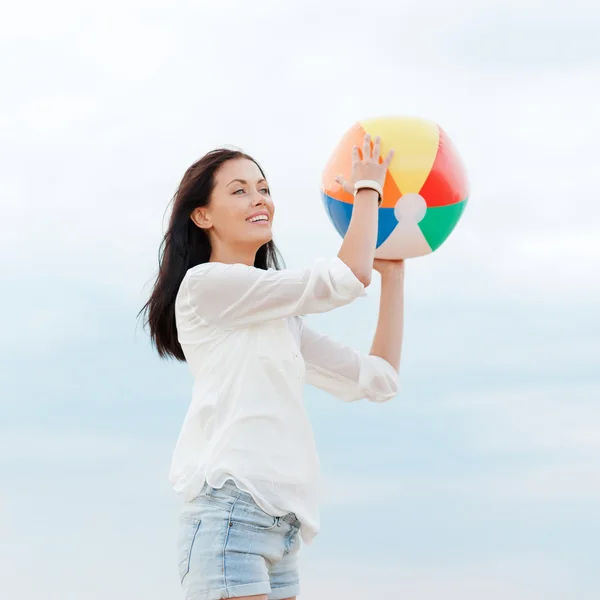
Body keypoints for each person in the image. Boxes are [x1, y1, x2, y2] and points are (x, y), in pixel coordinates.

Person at [140, 133, 405, 600]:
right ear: (202, 216)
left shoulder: (280, 317)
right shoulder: (205, 286)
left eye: (263, 188)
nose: (259, 199)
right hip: (230, 516)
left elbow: (378, 379)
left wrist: (395, 277)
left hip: (281, 528)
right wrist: (369, 189)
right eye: (239, 190)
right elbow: (343, 279)